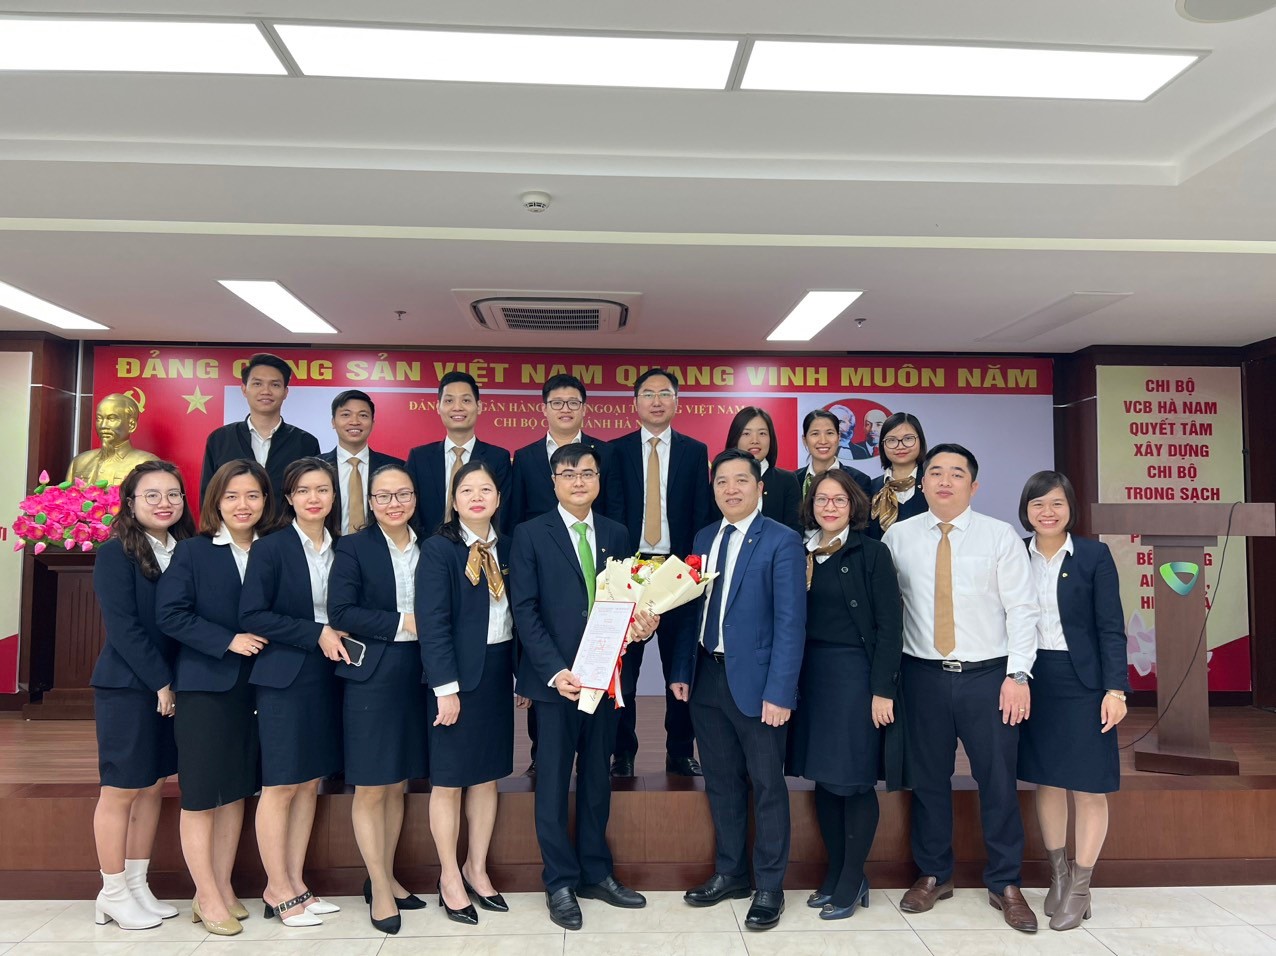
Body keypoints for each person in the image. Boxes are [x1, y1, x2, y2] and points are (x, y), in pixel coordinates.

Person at [882, 444, 1040, 933]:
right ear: (922, 483)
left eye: (956, 473)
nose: (945, 481)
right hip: (922, 676)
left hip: (988, 677)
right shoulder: (898, 537)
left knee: (998, 780)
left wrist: (1018, 675)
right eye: (936, 472)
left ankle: (1006, 882)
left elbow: (1023, 610)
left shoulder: (1000, 537)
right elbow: (886, 611)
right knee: (929, 780)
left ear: (974, 485)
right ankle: (935, 873)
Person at [509, 442, 657, 931]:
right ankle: (559, 881)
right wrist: (555, 670)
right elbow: (525, 610)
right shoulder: (530, 533)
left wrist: (642, 624)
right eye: (568, 473)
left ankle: (596, 872)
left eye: (587, 473)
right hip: (556, 684)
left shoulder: (616, 532)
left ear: (598, 480)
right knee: (552, 783)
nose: (578, 481)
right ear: (553, 481)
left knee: (597, 778)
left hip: (605, 679)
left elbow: (627, 599)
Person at [671, 449, 806, 931]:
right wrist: (682, 668)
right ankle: (731, 873)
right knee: (721, 781)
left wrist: (781, 692)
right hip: (707, 677)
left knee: (767, 785)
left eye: (741, 480)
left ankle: (769, 885)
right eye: (722, 481)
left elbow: (791, 622)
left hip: (759, 684)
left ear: (760, 487)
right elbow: (691, 607)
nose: (731, 489)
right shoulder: (704, 537)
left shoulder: (783, 540)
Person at [157, 460, 271, 936]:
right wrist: (227, 641)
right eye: (232, 496)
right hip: (206, 687)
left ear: (266, 501)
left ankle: (221, 887)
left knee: (236, 791)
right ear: (216, 502)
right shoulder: (194, 552)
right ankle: (204, 895)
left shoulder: (274, 548)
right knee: (203, 794)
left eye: (252, 495)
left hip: (260, 687)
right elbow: (170, 614)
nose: (243, 505)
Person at [787, 470, 903, 920]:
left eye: (839, 500)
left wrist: (882, 690)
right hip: (811, 678)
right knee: (824, 779)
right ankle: (837, 872)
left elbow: (890, 626)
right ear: (811, 505)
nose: (829, 507)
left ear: (854, 505)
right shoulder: (800, 552)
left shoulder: (872, 552)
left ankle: (853, 879)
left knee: (853, 781)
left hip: (856, 677)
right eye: (822, 499)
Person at [1016, 471, 1129, 932]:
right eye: (1038, 504)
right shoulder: (1013, 553)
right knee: (1048, 781)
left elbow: (1111, 627)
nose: (1047, 512)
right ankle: (1058, 876)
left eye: (1056, 503)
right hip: (1033, 679)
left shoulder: (1093, 556)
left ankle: (1081, 887)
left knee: (1087, 785)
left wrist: (1115, 690)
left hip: (1085, 683)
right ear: (1026, 509)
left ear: (1070, 508)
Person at [240, 457, 347, 928]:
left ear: (334, 496)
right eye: (303, 490)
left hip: (329, 676)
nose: (313, 498)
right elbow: (252, 615)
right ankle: (275, 887)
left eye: (322, 489)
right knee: (281, 784)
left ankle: (297, 883)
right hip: (284, 677)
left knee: (308, 783)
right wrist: (315, 632)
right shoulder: (272, 548)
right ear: (288, 498)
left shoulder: (344, 547)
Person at [90, 460, 194, 930]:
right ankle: (111, 891)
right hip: (130, 685)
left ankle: (137, 885)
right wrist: (160, 682)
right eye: (151, 495)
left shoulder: (187, 550)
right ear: (130, 503)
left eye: (173, 494)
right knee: (121, 789)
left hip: (171, 684)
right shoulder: (116, 553)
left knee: (153, 786)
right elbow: (124, 628)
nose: (164, 503)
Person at [327, 464, 428, 935]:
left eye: (402, 494)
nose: (394, 504)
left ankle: (385, 876)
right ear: (370, 502)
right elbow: (342, 611)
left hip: (420, 673)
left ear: (415, 498)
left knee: (397, 782)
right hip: (372, 673)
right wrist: (404, 622)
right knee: (371, 784)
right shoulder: (353, 547)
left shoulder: (431, 544)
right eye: (384, 496)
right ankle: (380, 888)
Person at [418, 461, 517, 927]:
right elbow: (433, 622)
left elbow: (519, 616)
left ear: (498, 498)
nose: (477, 497)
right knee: (449, 780)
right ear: (454, 501)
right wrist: (445, 688)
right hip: (455, 679)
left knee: (486, 777)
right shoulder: (439, 549)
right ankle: (448, 877)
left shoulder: (508, 545)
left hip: (496, 674)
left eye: (485, 490)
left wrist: (523, 677)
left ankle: (476, 868)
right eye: (467, 490)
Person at [604, 368, 711, 777]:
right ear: (635, 403)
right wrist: (617, 572)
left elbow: (700, 511)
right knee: (625, 670)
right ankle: (623, 752)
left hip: (676, 572)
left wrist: (692, 570)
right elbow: (612, 510)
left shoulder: (694, 451)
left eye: (664, 393)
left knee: (679, 667)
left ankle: (680, 751)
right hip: (629, 572)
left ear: (677, 402)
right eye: (647, 394)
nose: (656, 401)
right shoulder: (616, 451)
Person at [504, 373, 611, 774]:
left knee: (598, 755)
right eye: (557, 402)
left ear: (585, 408)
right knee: (551, 749)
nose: (578, 481)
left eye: (573, 402)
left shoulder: (603, 455)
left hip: (596, 581)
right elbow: (515, 514)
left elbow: (613, 509)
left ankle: (618, 755)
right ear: (544, 408)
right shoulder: (525, 457)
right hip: (546, 582)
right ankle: (540, 757)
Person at [200, 353, 320, 517]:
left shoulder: (305, 443)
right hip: (234, 530)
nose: (266, 391)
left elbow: (313, 495)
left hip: (286, 531)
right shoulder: (220, 439)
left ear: (285, 392)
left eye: (275, 385)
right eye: (257, 383)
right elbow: (208, 496)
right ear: (244, 389)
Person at [405, 371, 512, 536]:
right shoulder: (419, 458)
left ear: (479, 407)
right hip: (427, 546)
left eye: (466, 400)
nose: (457, 407)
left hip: (482, 546)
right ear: (438, 407)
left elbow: (504, 513)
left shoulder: (498, 458)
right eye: (449, 400)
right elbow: (410, 509)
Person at [320, 389, 405, 535]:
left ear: (372, 423)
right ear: (333, 422)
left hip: (380, 545)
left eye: (363, 415)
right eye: (346, 415)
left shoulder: (395, 468)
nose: (354, 422)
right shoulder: (316, 467)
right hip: (327, 546)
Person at [725, 406, 801, 532]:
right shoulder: (721, 480)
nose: (755, 440)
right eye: (746, 433)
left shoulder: (787, 480)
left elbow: (795, 531)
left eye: (762, 433)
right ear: (735, 438)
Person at [66, 393, 158, 485]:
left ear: (131, 425)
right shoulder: (79, 462)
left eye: (112, 419)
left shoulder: (146, 463)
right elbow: (66, 493)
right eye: (99, 419)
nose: (103, 425)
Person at [866, 412, 929, 540]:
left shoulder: (933, 484)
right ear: (882, 445)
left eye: (908, 438)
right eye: (892, 440)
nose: (900, 446)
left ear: (920, 441)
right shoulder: (870, 488)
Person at [795, 409, 871, 503]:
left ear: (838, 438)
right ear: (804, 440)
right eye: (815, 434)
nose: (823, 441)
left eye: (830, 433)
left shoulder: (858, 480)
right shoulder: (793, 480)